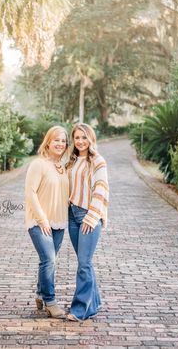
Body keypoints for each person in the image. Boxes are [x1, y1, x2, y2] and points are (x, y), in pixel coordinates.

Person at [66, 123, 109, 321]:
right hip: (72, 214)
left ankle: (80, 309)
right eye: (77, 138)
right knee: (85, 262)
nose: (80, 141)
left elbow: (100, 188)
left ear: (90, 139)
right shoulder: (72, 160)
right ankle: (95, 302)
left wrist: (92, 217)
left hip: (88, 215)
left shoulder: (97, 161)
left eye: (84, 137)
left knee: (84, 263)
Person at [25, 126, 69, 318]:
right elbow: (30, 193)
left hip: (59, 222)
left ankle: (39, 294)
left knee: (47, 261)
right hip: (38, 221)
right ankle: (50, 302)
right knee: (49, 260)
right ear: (48, 142)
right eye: (56, 140)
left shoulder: (65, 166)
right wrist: (42, 219)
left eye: (63, 141)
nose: (60, 144)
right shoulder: (38, 164)